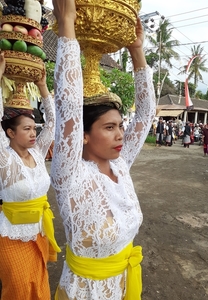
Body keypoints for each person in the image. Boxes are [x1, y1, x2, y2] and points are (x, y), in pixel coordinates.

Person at [51, 0, 156, 299]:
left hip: (122, 286)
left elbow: (146, 114)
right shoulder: (69, 175)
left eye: (120, 126)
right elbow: (69, 107)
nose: (120, 134)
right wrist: (67, 24)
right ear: (82, 136)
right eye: (109, 128)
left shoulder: (120, 165)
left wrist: (137, 50)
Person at [0, 53, 60, 300]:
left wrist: (44, 87)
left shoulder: (37, 152)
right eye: (26, 129)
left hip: (38, 231)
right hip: (10, 236)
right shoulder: (5, 159)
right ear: (11, 134)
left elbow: (53, 123)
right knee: (18, 289)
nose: (33, 133)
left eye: (33, 128)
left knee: (39, 283)